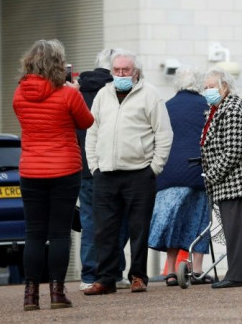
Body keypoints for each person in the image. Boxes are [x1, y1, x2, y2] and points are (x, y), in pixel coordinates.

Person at [12, 39, 94, 311]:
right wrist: (76, 91)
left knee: (34, 233)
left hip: (31, 169)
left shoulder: (19, 94)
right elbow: (86, 122)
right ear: (59, 64)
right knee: (59, 233)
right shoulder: (69, 94)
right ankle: (57, 293)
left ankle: (30, 296)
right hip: (64, 168)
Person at [83, 49, 173, 295]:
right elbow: (92, 131)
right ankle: (106, 278)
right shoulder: (103, 95)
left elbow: (164, 134)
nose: (121, 74)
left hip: (139, 174)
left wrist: (154, 168)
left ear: (136, 72)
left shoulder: (150, 94)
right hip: (106, 173)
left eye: (126, 70)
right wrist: (94, 165)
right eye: (117, 70)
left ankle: (138, 276)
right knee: (104, 231)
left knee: (138, 229)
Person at [148, 66, 212, 286]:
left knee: (173, 221)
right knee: (199, 220)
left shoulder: (166, 107)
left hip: (169, 174)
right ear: (200, 84)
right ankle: (198, 270)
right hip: (198, 171)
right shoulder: (207, 107)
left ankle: (171, 271)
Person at [200, 67, 242, 289]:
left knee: (233, 230)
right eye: (205, 87)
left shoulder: (232, 109)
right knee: (239, 227)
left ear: (224, 87)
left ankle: (236, 275)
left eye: (212, 87)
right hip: (231, 178)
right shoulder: (219, 108)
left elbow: (233, 150)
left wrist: (212, 174)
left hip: (233, 179)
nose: (207, 91)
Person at [75, 49, 130, 291]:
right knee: (117, 221)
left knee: (89, 221)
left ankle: (89, 273)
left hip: (84, 167)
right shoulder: (115, 92)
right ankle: (114, 271)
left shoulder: (78, 91)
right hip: (112, 166)